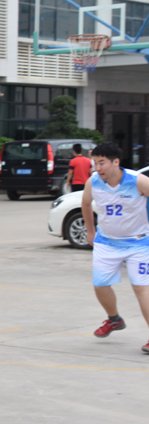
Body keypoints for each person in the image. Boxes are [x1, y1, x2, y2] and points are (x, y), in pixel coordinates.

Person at [82, 142, 149, 352]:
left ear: (116, 162)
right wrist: (90, 231)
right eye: (95, 163)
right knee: (100, 285)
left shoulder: (138, 180)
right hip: (107, 242)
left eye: (102, 163)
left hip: (139, 243)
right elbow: (86, 204)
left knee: (141, 288)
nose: (97, 168)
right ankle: (114, 319)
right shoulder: (93, 182)